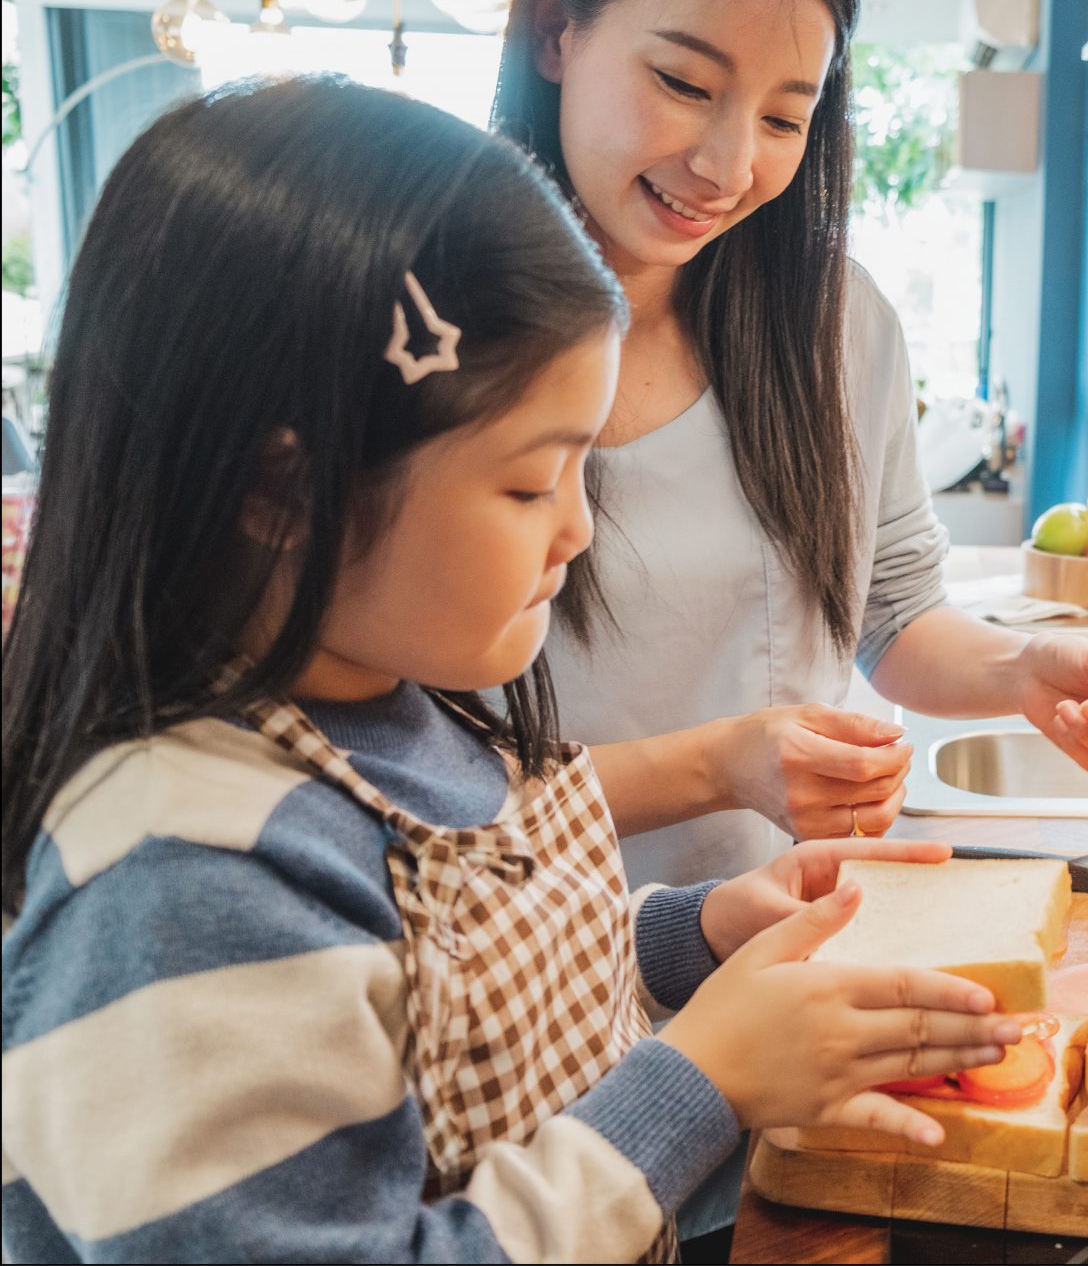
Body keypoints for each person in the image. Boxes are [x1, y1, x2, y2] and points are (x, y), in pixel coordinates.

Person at [0, 77, 1019, 1263]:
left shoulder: (384, 711)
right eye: (531, 482)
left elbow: (457, 994)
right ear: (282, 492)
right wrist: (699, 1083)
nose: (577, 529)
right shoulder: (184, 887)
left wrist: (694, 934)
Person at [492, 0, 1088, 895]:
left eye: (783, 116)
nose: (726, 166)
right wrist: (716, 766)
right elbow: (400, 779)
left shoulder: (835, 324)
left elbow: (891, 612)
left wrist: (1019, 673)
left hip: (794, 934)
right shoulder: (434, 332)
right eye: (684, 82)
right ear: (555, 29)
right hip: (533, 956)